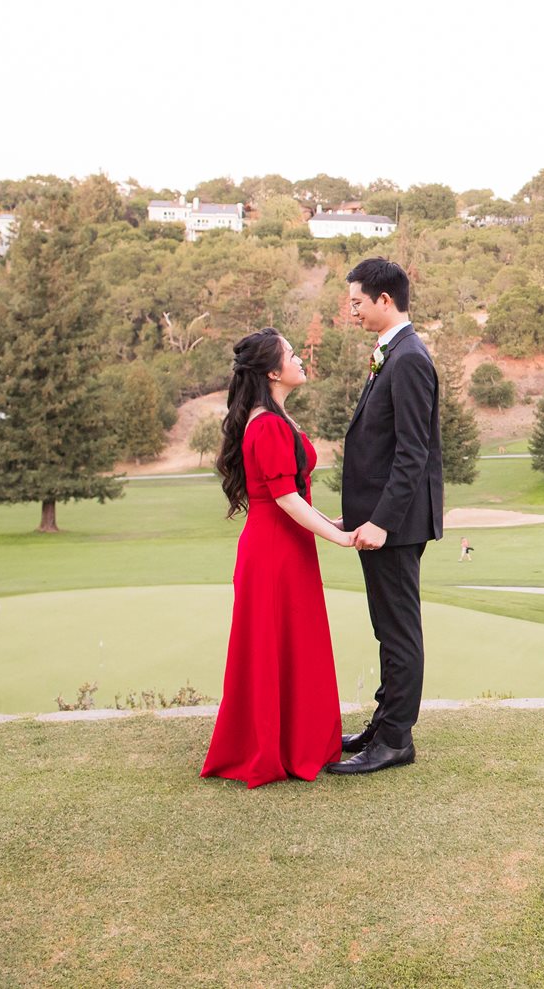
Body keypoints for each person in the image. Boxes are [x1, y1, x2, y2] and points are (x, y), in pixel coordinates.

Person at [200, 328, 359, 788]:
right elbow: (285, 500)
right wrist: (340, 537)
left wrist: (330, 519)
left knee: (294, 640)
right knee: (275, 643)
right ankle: (277, 748)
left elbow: (286, 495)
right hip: (273, 553)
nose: (300, 359)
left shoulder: (275, 417)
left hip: (286, 546)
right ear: (273, 371)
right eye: (292, 354)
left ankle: (298, 741)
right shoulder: (266, 423)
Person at [329, 257, 444, 776]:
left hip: (392, 529)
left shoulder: (410, 358)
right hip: (376, 521)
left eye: (357, 302)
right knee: (387, 628)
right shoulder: (390, 354)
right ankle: (385, 720)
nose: (351, 311)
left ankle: (397, 739)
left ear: (384, 300)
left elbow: (412, 452)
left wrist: (382, 522)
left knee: (398, 631)